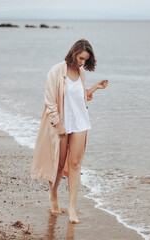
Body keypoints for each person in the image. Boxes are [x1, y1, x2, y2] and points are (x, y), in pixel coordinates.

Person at [31, 39, 108, 223]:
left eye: (85, 60)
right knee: (58, 164)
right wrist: (58, 125)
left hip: (80, 123)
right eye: (81, 58)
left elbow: (80, 100)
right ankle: (54, 195)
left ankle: (72, 208)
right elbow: (49, 101)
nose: (82, 63)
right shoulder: (56, 71)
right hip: (62, 124)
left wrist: (94, 88)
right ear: (74, 53)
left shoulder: (81, 74)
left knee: (75, 165)